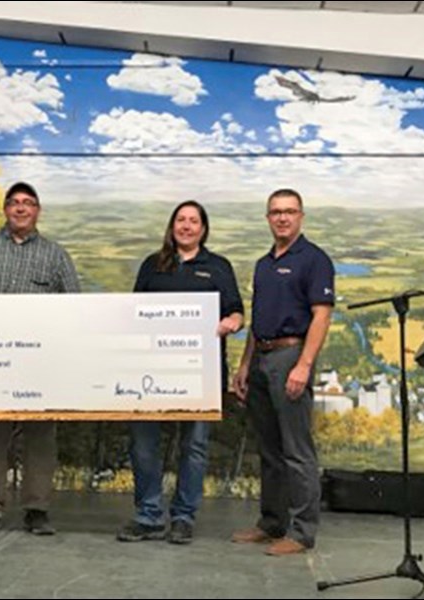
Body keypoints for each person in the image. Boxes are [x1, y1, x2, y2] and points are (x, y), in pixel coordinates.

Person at [117, 200, 244, 545]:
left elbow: (236, 312)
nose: (186, 226)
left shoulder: (218, 267)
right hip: (150, 371)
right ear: (172, 226)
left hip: (198, 372)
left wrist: (232, 322)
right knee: (144, 444)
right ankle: (148, 515)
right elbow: (133, 312)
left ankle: (184, 517)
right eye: (180, 220)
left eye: (193, 221)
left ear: (204, 228)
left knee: (195, 446)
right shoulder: (152, 265)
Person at [0, 181, 80, 537]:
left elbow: (75, 306)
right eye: (14, 203)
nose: (21, 208)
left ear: (38, 211)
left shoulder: (55, 255)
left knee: (41, 436)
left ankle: (37, 509)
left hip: (41, 363)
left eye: (28, 203)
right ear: (5, 210)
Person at [231, 188, 334, 555]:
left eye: (290, 211)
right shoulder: (264, 264)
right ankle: (271, 523)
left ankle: (302, 532)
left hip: (292, 357)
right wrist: (244, 366)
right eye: (275, 212)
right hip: (261, 357)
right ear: (267, 218)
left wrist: (304, 365)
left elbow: (322, 315)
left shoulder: (314, 259)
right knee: (270, 450)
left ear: (301, 216)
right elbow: (258, 320)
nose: (282, 218)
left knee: (297, 450)